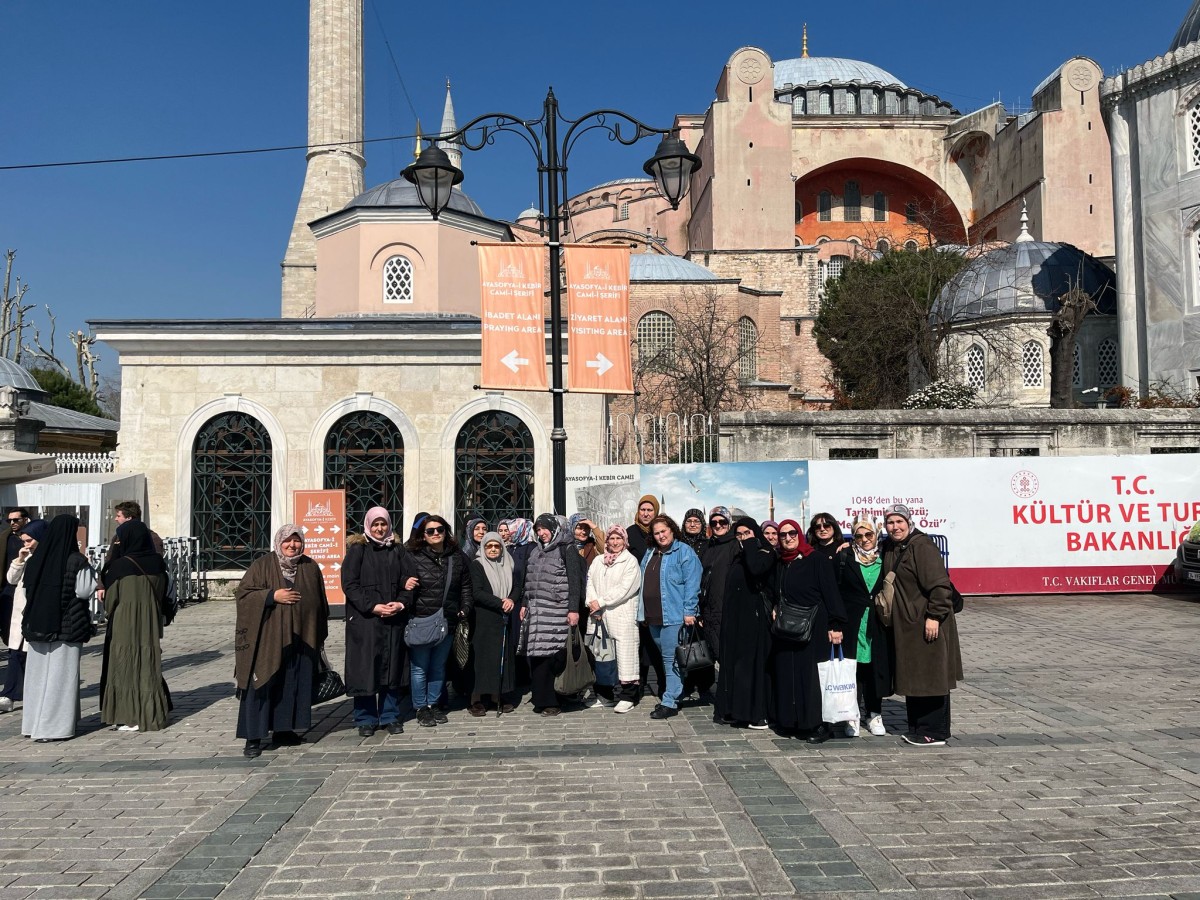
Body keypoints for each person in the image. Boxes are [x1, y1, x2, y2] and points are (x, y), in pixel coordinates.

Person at [234, 524, 330, 758]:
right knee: (262, 683)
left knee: (292, 684)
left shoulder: (309, 566)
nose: (292, 545)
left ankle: (284, 730)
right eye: (287, 540)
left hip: (300, 639)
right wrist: (271, 596)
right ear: (279, 542)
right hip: (267, 639)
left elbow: (321, 600)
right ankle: (253, 738)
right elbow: (243, 595)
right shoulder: (263, 565)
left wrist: (314, 630)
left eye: (296, 541)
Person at [881, 503, 962, 747]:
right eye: (890, 522)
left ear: (909, 522)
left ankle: (934, 732)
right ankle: (917, 727)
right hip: (909, 627)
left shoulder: (922, 546)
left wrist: (934, 616)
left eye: (899, 522)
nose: (895, 527)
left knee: (931, 677)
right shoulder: (894, 547)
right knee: (915, 677)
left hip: (927, 623)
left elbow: (939, 585)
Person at [20, 514, 97, 742]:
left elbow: (26, 593)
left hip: (36, 625)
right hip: (67, 626)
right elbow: (84, 591)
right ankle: (53, 728)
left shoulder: (35, 560)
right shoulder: (75, 560)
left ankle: (33, 723)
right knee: (61, 678)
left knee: (36, 678)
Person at [772, 516, 846, 743]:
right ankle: (791, 721)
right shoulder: (782, 562)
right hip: (788, 628)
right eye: (783, 535)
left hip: (814, 625)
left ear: (800, 535)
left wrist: (836, 624)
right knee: (788, 674)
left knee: (812, 678)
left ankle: (817, 725)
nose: (787, 538)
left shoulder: (816, 559)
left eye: (792, 533)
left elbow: (831, 592)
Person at [342, 507, 411, 737]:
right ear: (367, 525)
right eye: (375, 525)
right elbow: (350, 584)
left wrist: (400, 603)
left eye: (383, 524)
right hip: (366, 620)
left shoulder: (398, 550)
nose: (380, 529)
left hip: (393, 619)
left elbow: (409, 581)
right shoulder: (358, 550)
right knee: (366, 668)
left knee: (391, 667)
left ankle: (390, 715)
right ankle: (366, 718)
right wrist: (372, 606)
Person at [98, 520, 172, 733]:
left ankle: (129, 716)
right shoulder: (158, 563)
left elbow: (110, 601)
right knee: (148, 666)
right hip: (150, 621)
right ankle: (150, 713)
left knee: (125, 665)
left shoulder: (120, 566)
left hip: (125, 621)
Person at [403, 514, 472, 727]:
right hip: (422, 618)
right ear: (422, 535)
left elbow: (465, 586)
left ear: (446, 532)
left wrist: (465, 607)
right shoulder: (412, 556)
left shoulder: (456, 556)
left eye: (440, 530)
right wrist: (405, 584)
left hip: (448, 618)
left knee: (439, 666)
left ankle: (434, 704)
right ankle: (421, 707)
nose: (436, 534)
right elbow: (399, 582)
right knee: (419, 667)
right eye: (430, 531)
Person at [519, 514, 585, 716]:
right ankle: (541, 699)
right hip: (536, 613)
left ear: (554, 528)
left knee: (553, 656)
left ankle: (554, 700)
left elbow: (575, 583)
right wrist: (524, 603)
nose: (541, 533)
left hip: (557, 612)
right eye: (538, 530)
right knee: (538, 658)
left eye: (544, 529)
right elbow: (528, 580)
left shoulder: (567, 549)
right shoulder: (535, 551)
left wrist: (573, 609)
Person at [638, 515, 701, 720]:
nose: (660, 536)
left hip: (673, 615)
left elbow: (692, 583)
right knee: (668, 657)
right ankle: (677, 691)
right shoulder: (650, 552)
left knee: (670, 659)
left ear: (672, 530)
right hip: (653, 616)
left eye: (663, 531)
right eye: (656, 533)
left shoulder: (683, 552)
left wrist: (690, 611)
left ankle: (670, 701)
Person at [714, 518, 775, 729]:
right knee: (734, 665)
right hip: (735, 619)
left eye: (748, 532)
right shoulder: (738, 555)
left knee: (751, 666)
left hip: (754, 619)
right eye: (739, 534)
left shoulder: (766, 552)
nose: (743, 537)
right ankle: (734, 710)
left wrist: (750, 544)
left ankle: (755, 713)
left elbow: (757, 569)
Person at [835, 517, 892, 738]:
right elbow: (837, 592)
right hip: (852, 624)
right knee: (852, 671)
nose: (864, 539)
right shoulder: (845, 557)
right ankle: (852, 715)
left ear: (877, 535)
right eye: (859, 535)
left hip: (877, 624)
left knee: (874, 670)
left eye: (869, 534)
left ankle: (874, 713)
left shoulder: (885, 558)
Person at [585, 525, 642, 713]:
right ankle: (604, 695)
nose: (615, 542)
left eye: (619, 538)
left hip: (621, 614)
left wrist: (600, 601)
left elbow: (626, 589)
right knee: (601, 655)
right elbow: (590, 582)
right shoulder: (599, 561)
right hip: (598, 615)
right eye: (612, 538)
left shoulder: (630, 561)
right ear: (607, 540)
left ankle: (628, 696)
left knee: (626, 655)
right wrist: (592, 603)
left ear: (624, 540)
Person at [467, 532, 519, 715]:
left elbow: (516, 587)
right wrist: (501, 602)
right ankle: (477, 698)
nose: (493, 549)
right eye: (489, 546)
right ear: (483, 547)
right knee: (482, 659)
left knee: (500, 657)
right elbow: (477, 592)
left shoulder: (509, 563)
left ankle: (498, 696)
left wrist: (511, 600)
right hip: (484, 618)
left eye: (496, 546)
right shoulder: (477, 565)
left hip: (503, 618)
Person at [0, 519, 46, 714]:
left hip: (35, 614)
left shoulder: (47, 557)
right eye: (23, 541)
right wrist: (19, 559)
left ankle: (30, 694)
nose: (25, 544)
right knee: (15, 654)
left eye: (28, 541)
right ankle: (8, 695)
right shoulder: (25, 556)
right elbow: (11, 578)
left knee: (29, 657)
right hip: (19, 613)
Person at [0, 507, 31, 647]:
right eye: (9, 520)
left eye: (16, 520)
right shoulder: (5, 538)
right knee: (6, 624)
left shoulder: (33, 539)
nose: (12, 522)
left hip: (26, 586)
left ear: (25, 519)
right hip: (7, 587)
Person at [626, 495, 659, 563]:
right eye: (643, 510)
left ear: (655, 512)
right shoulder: (630, 532)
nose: (645, 514)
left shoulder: (661, 532)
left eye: (649, 510)